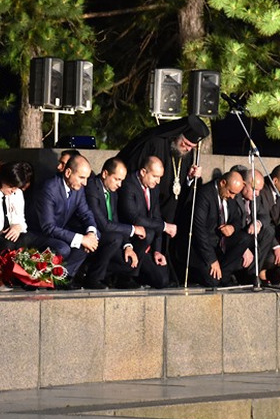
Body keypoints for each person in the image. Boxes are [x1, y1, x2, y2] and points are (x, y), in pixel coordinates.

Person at [117, 115, 209, 224]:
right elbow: (134, 170)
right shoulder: (155, 143)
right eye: (186, 144)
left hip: (171, 211)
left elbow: (181, 180)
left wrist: (189, 177)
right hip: (148, 208)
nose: (188, 149)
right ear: (178, 136)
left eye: (192, 147)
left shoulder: (187, 153)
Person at [27, 154, 99, 288]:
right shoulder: (49, 188)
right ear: (68, 172)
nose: (85, 183)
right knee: (63, 248)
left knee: (95, 236)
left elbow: (86, 213)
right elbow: (48, 227)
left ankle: (63, 276)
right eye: (82, 178)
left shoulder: (78, 188)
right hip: (37, 234)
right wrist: (81, 239)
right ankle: (40, 276)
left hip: (58, 232)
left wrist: (90, 232)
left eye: (87, 178)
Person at [174, 170, 252, 288]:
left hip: (220, 243)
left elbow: (236, 219)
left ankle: (223, 274)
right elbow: (199, 230)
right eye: (231, 192)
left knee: (245, 238)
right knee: (212, 281)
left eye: (235, 194)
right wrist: (212, 260)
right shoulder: (205, 195)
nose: (232, 196)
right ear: (223, 183)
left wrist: (232, 227)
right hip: (202, 247)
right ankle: (215, 275)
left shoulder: (230, 196)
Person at [79, 157, 141, 289]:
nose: (120, 184)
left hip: (108, 241)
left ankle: (90, 270)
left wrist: (127, 246)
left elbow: (115, 220)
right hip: (91, 237)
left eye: (122, 180)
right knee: (115, 238)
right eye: (117, 179)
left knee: (130, 264)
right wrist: (133, 230)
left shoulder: (112, 193)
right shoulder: (92, 188)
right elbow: (103, 225)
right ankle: (93, 278)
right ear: (105, 174)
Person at [117, 155, 177, 289]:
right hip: (129, 241)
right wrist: (164, 226)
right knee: (148, 233)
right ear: (144, 172)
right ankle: (125, 276)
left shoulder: (153, 188)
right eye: (155, 176)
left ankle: (139, 273)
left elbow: (156, 217)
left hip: (147, 245)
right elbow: (134, 217)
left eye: (160, 177)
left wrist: (157, 250)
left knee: (162, 280)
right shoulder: (128, 184)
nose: (158, 181)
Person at [0, 161, 39, 258]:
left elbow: (21, 220)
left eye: (16, 187)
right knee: (8, 246)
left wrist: (17, 227)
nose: (13, 191)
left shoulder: (17, 193)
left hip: (11, 234)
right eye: (11, 187)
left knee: (27, 239)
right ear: (3, 179)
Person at [230, 165, 274, 284]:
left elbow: (265, 216)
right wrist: (243, 248)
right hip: (237, 237)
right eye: (255, 189)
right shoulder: (233, 196)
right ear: (244, 184)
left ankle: (252, 274)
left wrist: (258, 223)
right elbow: (231, 224)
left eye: (260, 190)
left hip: (251, 234)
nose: (257, 194)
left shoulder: (256, 197)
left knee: (269, 230)